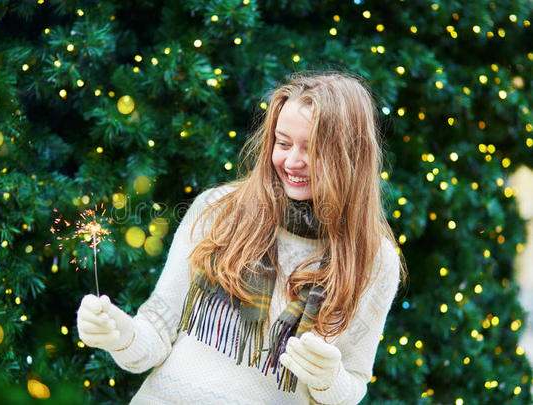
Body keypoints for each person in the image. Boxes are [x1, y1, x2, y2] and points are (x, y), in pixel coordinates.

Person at [77, 72, 406, 404]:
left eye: (313, 148)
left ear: (350, 154)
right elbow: (157, 332)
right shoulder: (217, 210)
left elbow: (352, 385)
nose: (292, 161)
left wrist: (328, 379)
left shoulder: (375, 259)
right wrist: (119, 334)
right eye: (283, 142)